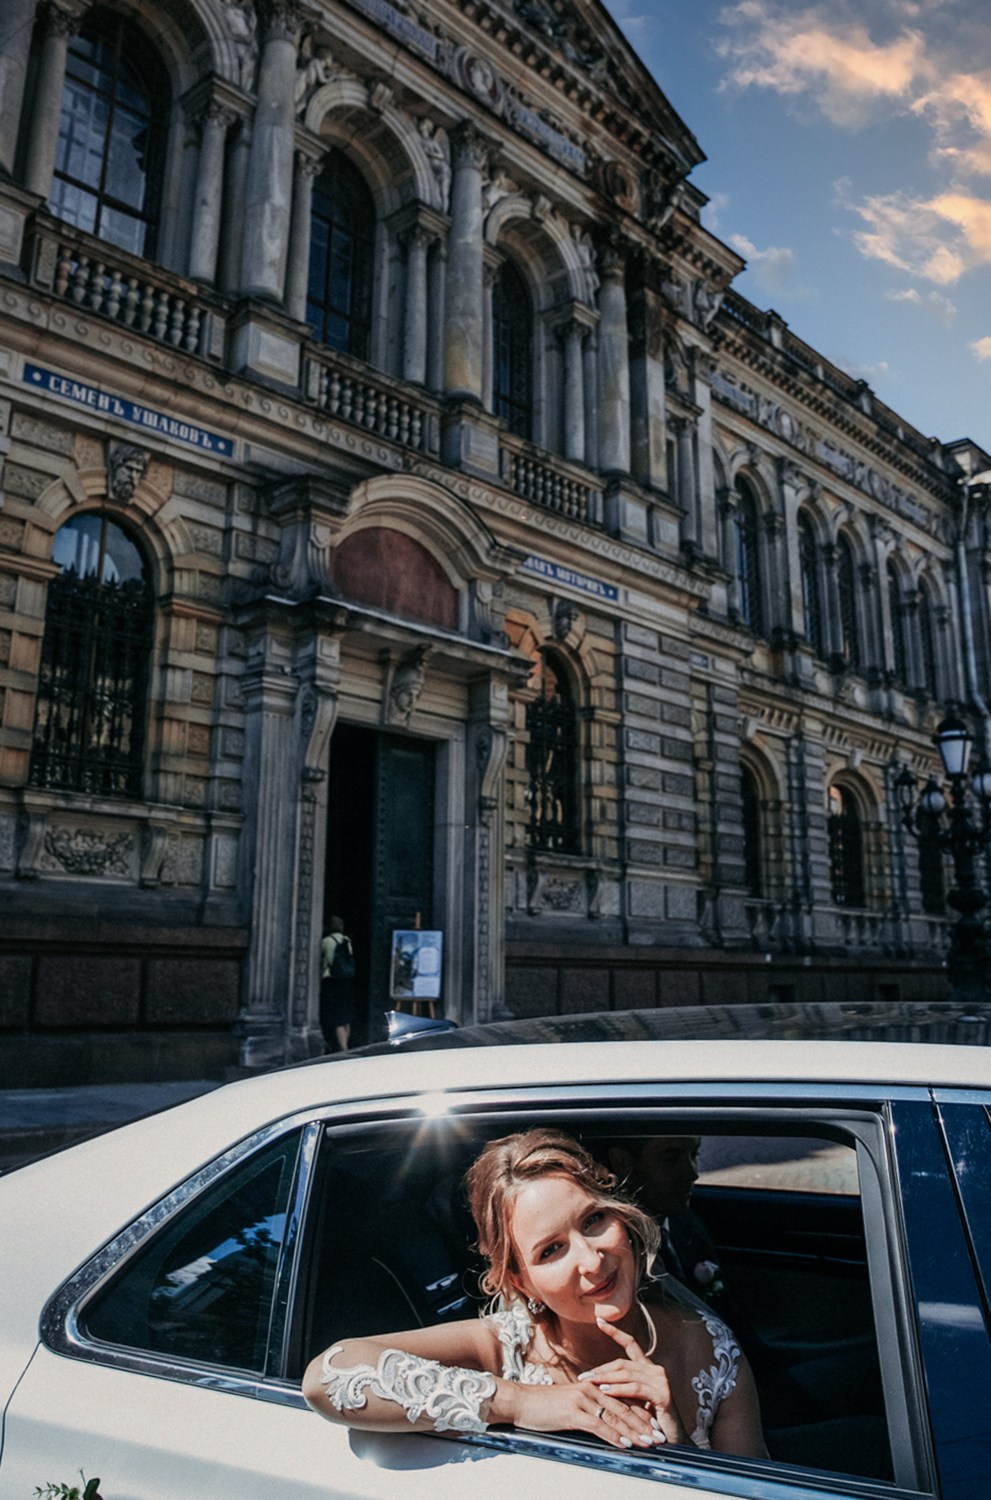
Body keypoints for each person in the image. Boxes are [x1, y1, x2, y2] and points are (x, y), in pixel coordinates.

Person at [303, 1128, 766, 1456]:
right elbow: (328, 1376)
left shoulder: (709, 1351)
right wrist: (522, 1402)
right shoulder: (499, 1347)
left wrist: (678, 1446)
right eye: (551, 1250)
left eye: (594, 1220)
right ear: (520, 1281)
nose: (592, 1260)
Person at [606, 1136, 728, 1310]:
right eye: (671, 1159)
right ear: (622, 1162)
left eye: (694, 1155)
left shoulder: (685, 1221)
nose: (692, 1174)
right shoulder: (621, 1253)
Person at [319, 916, 356, 1052]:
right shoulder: (347, 940)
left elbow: (322, 958)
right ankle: (345, 1043)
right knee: (345, 1016)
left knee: (336, 1016)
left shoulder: (326, 941)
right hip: (346, 981)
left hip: (331, 980)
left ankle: (344, 1049)